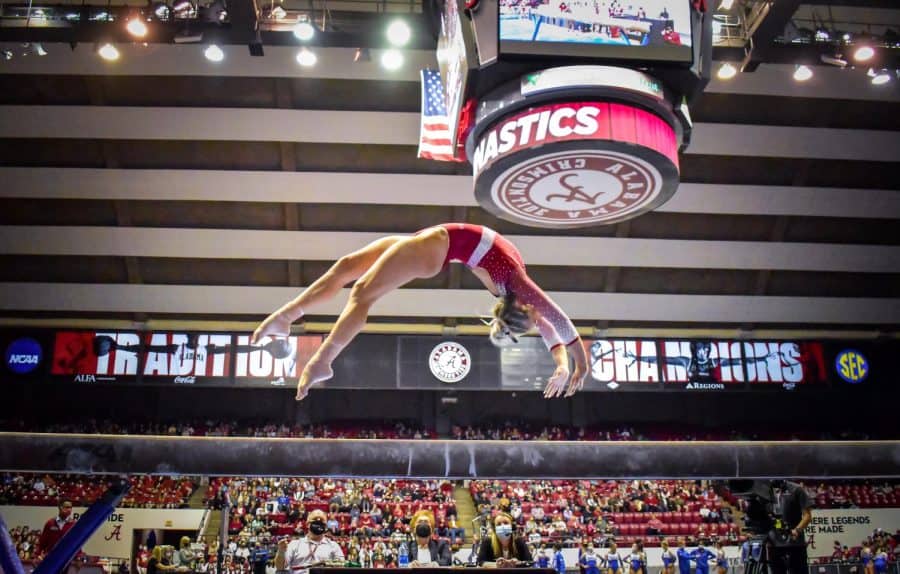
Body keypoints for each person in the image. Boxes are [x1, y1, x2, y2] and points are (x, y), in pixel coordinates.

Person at [252, 223, 589, 401]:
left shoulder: (517, 284)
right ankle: (285, 317)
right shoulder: (517, 289)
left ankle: (322, 360)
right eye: (533, 316)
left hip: (433, 246)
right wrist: (566, 366)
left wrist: (577, 367)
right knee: (345, 268)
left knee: (361, 292)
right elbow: (553, 325)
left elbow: (554, 323)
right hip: (428, 241)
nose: (538, 315)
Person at [274, 510, 345, 574]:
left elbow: (341, 568)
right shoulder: (295, 544)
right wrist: (281, 552)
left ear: (326, 527)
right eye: (315, 521)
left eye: (321, 522)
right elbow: (280, 567)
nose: (318, 522)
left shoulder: (333, 546)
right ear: (308, 524)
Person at [770, 481, 813, 574]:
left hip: (795, 543)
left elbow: (807, 516)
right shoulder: (767, 490)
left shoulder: (797, 489)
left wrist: (797, 530)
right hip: (775, 544)